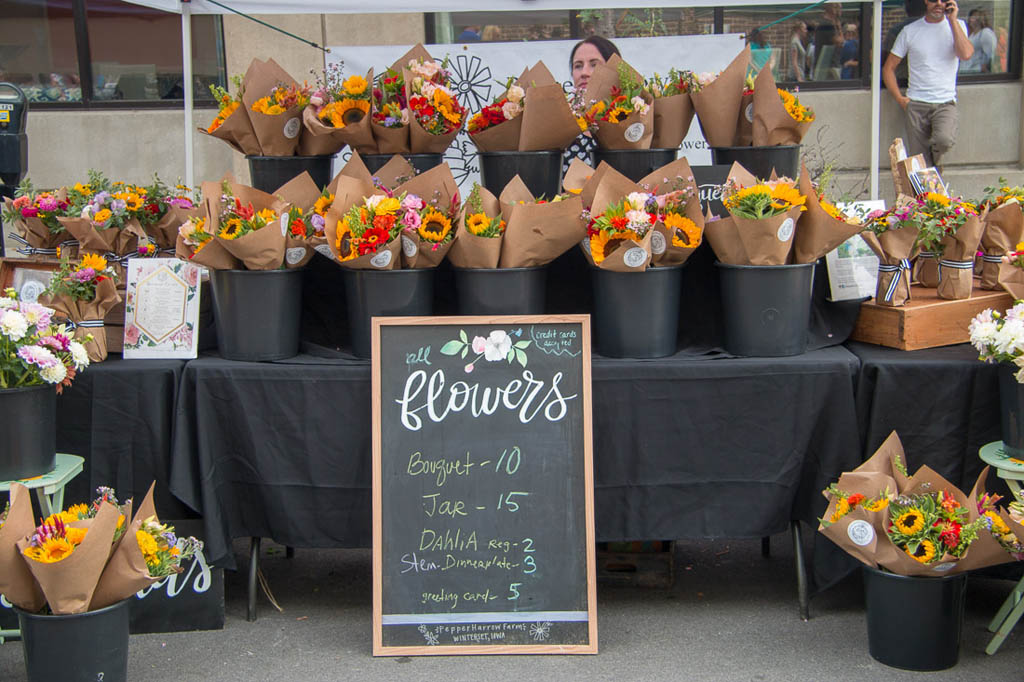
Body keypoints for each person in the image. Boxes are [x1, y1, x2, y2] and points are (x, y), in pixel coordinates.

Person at [882, 0, 973, 169]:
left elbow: (966, 54)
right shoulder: (910, 31)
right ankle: (930, 192)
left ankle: (935, 167)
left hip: (945, 102)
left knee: (944, 140)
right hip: (916, 103)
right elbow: (888, 69)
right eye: (933, 0)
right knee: (919, 162)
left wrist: (952, 20)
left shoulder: (958, 26)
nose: (938, 3)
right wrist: (900, 99)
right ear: (925, 1)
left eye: (943, 0)